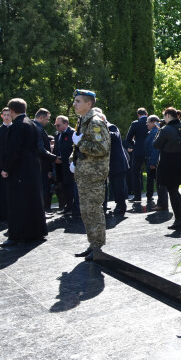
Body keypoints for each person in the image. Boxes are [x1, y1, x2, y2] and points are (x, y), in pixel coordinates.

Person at [0, 98, 47, 246]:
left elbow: (14, 150)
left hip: (20, 169)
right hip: (32, 168)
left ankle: (15, 236)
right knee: (33, 200)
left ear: (11, 111)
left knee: (17, 203)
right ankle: (36, 233)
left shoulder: (17, 125)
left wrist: (6, 168)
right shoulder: (32, 124)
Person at [70, 89, 110, 261]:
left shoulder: (95, 121)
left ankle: (98, 247)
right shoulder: (83, 120)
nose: (74, 104)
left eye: (78, 101)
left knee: (94, 211)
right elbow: (78, 148)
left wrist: (82, 143)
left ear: (88, 103)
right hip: (84, 173)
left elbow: (103, 149)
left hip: (94, 174)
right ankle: (92, 244)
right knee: (86, 212)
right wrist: (74, 159)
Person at [152, 107, 181, 231]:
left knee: (173, 192)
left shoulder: (165, 129)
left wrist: (159, 130)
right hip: (180, 161)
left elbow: (156, 144)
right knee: (175, 191)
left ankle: (179, 220)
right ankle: (180, 219)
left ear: (167, 115)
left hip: (168, 162)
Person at [98, 111, 129, 217]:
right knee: (111, 186)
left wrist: (101, 129)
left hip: (117, 163)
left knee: (118, 186)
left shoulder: (111, 126)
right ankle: (110, 204)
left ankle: (121, 206)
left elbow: (114, 136)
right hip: (109, 164)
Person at [33, 108, 57, 213]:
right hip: (40, 165)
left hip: (40, 164)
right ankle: (40, 212)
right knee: (41, 190)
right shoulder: (37, 128)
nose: (47, 121)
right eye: (47, 119)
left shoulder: (35, 127)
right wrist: (54, 157)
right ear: (41, 117)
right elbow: (40, 149)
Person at [53, 115, 76, 215]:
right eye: (55, 125)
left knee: (71, 185)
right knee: (64, 185)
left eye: (58, 125)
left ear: (66, 124)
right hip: (60, 166)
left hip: (69, 166)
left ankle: (73, 206)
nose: (57, 127)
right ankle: (67, 206)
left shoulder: (72, 133)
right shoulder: (58, 134)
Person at [0, 108, 12, 222]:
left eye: (8, 115)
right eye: (4, 115)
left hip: (13, 164)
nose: (6, 117)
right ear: (1, 116)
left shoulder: (16, 129)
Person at [125, 107, 148, 201]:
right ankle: (150, 195)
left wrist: (132, 145)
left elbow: (128, 138)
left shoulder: (135, 124)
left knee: (136, 173)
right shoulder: (153, 122)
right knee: (152, 173)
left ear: (138, 115)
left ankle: (137, 196)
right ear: (146, 114)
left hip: (138, 151)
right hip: (150, 151)